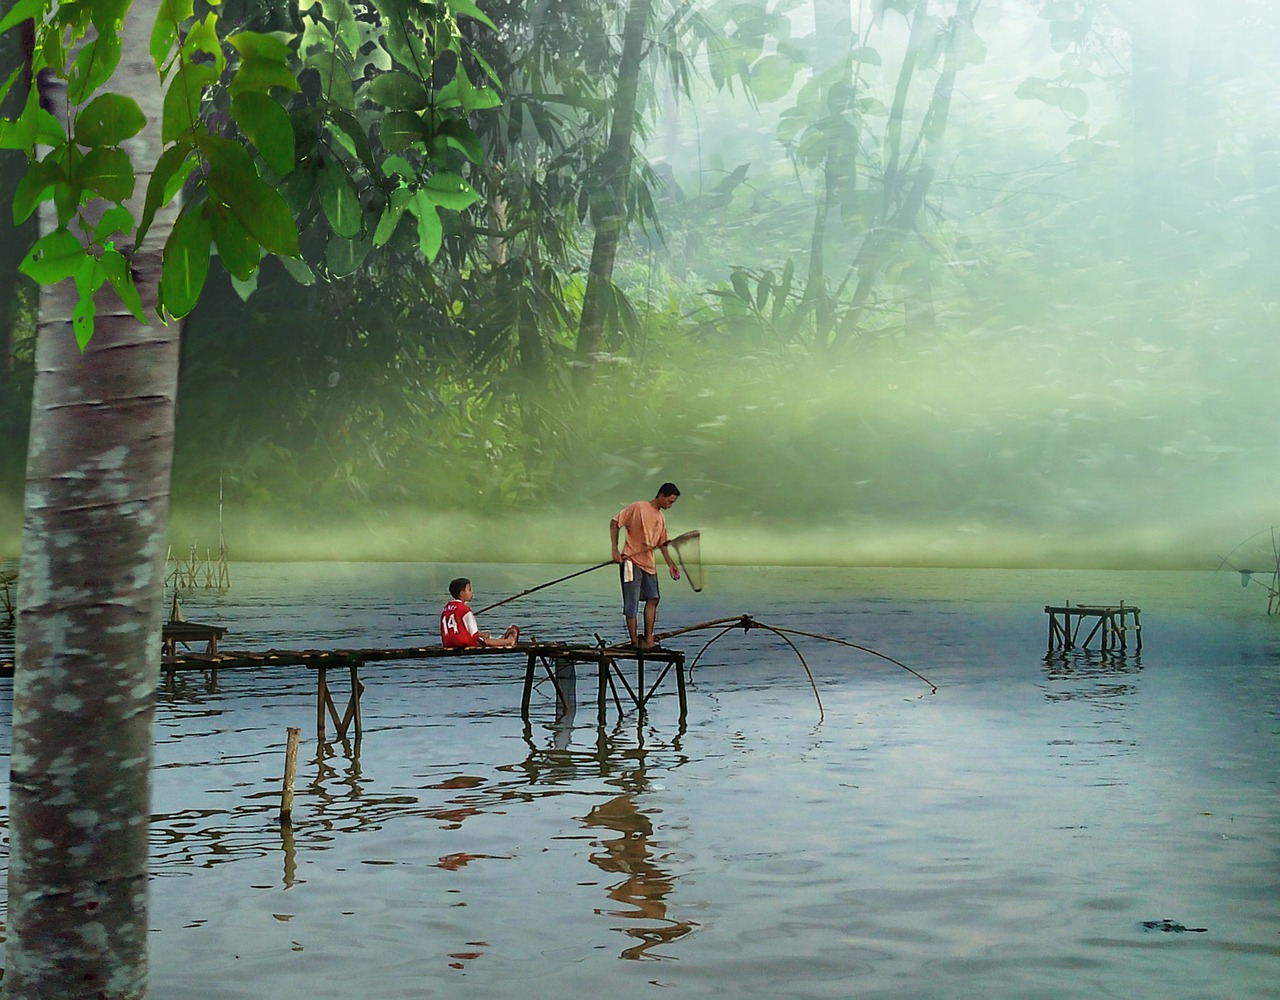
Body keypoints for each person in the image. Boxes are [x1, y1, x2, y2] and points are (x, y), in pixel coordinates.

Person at [610, 483, 681, 650]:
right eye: (670, 501)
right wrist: (615, 549)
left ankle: (649, 639)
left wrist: (671, 565)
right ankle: (634, 641)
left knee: (654, 598)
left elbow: (662, 544)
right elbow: (614, 523)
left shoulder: (661, 518)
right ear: (662, 495)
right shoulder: (638, 507)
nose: (670, 506)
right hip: (630, 561)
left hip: (649, 564)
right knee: (631, 602)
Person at [440, 578, 519, 648]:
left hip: (448, 643)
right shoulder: (464, 609)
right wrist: (483, 634)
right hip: (463, 642)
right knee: (482, 640)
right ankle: (508, 641)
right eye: (469, 590)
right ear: (461, 593)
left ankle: (501, 639)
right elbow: (474, 634)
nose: (472, 593)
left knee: (484, 637)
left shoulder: (446, 608)